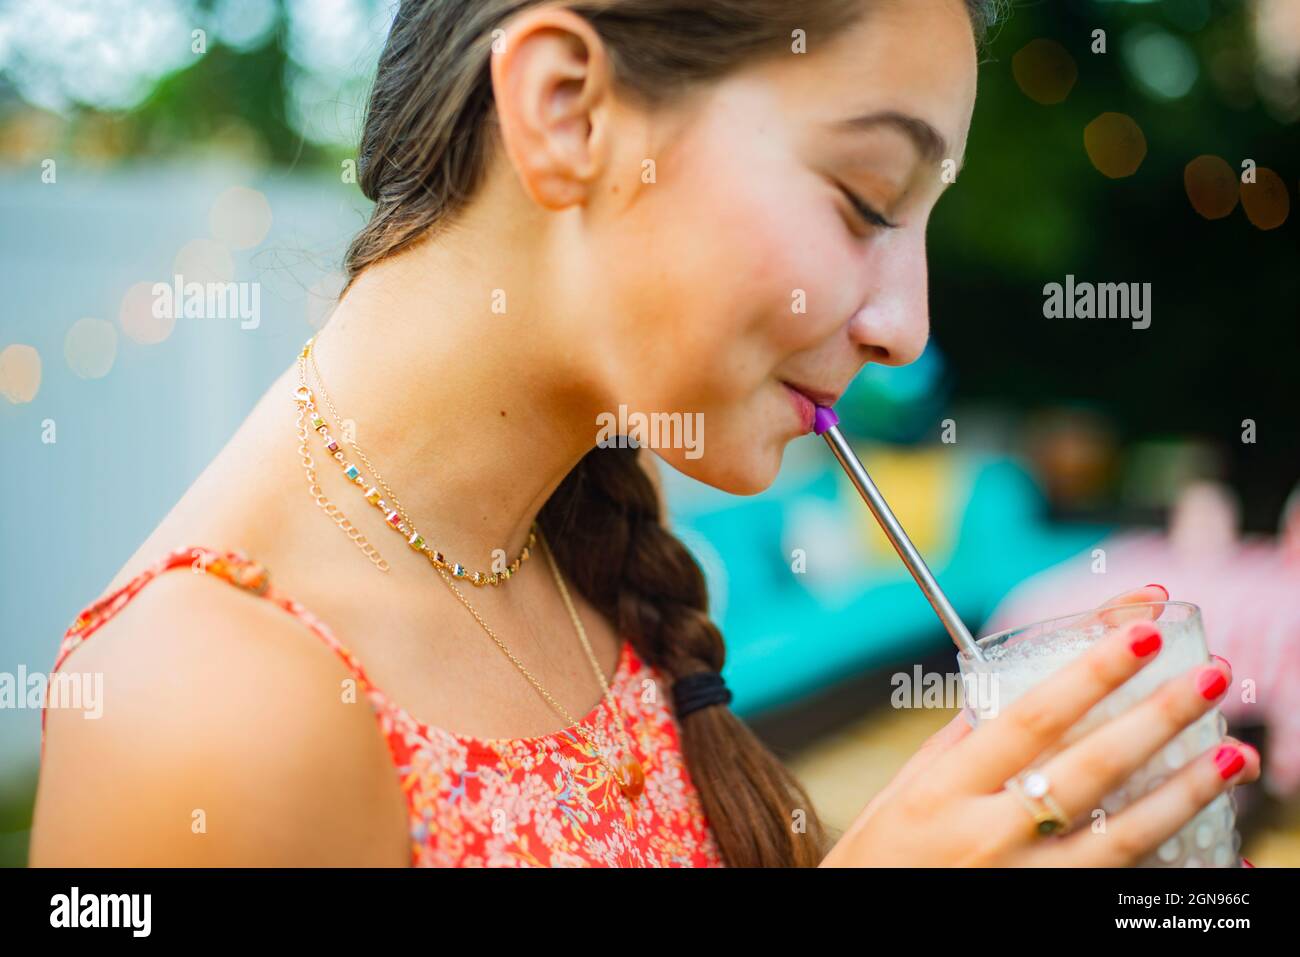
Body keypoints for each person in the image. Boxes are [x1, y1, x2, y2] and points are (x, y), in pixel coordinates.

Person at [30, 0, 1258, 867]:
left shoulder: (577, 556)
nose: (904, 326)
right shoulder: (208, 707)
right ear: (565, 108)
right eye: (866, 199)